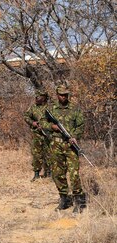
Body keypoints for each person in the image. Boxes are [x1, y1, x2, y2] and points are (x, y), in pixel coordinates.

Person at [40, 85, 86, 213]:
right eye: (61, 94)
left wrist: (75, 136)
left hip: (71, 145)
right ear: (57, 94)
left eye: (66, 94)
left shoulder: (75, 109)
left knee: (74, 174)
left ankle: (79, 202)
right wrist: (52, 127)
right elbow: (42, 123)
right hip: (56, 145)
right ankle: (64, 199)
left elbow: (81, 125)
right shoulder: (51, 109)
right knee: (57, 173)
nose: (64, 97)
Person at [23, 90, 51, 181]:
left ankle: (48, 173)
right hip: (37, 135)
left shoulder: (50, 108)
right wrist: (33, 123)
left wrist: (47, 126)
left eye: (39, 96)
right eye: (36, 96)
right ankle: (36, 174)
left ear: (44, 98)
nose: (37, 98)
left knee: (49, 154)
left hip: (48, 135)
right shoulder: (33, 107)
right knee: (36, 154)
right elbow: (26, 116)